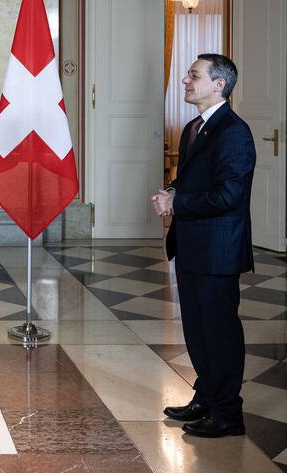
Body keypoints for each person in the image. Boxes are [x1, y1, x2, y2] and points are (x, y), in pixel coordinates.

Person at [151, 53, 255, 438]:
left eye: (193, 75)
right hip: (193, 245)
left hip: (218, 250)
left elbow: (229, 194)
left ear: (219, 85)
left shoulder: (234, 131)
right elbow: (199, 181)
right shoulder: (196, 126)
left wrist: (177, 203)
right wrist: (174, 190)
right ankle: (207, 397)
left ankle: (228, 413)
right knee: (196, 330)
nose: (185, 81)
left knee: (219, 332)